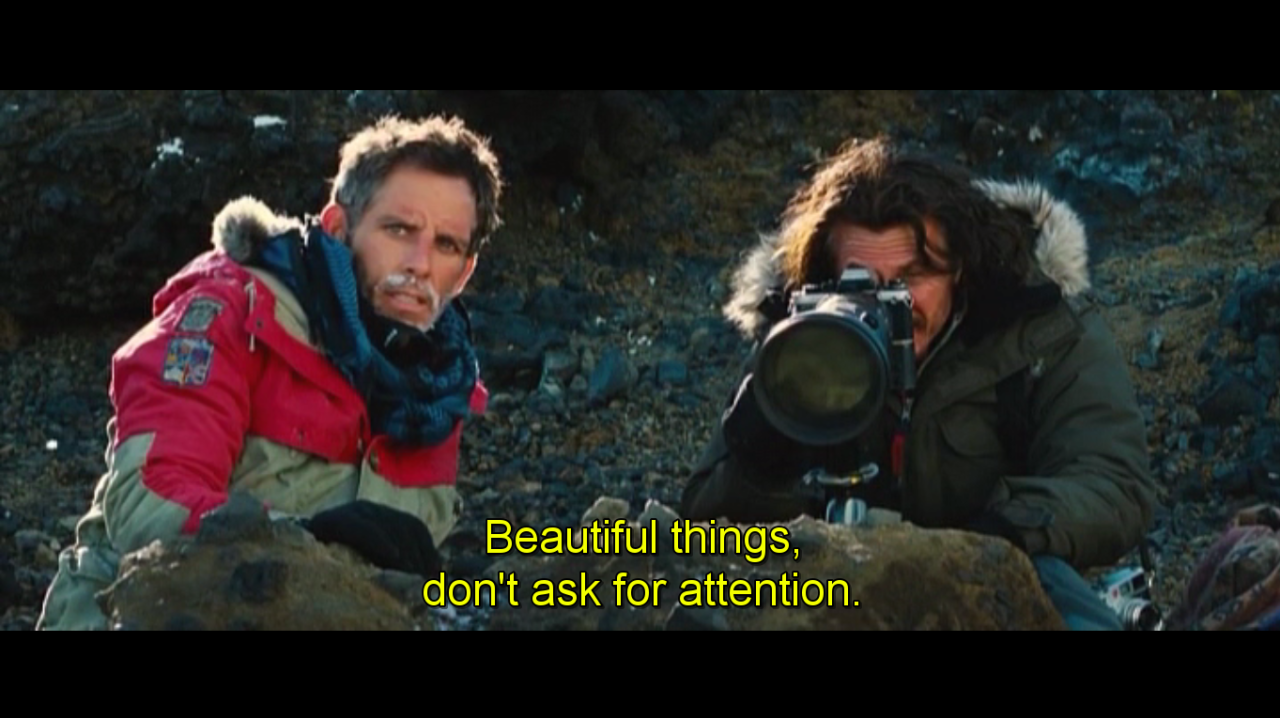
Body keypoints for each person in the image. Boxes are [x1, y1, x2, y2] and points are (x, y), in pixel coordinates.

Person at [37, 114, 504, 631]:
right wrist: (307, 540)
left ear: (464, 272)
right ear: (338, 227)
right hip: (139, 612)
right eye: (399, 230)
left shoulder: (437, 393)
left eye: (446, 245)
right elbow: (145, 503)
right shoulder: (231, 316)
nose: (420, 264)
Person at [681, 136, 1159, 631]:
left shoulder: (1043, 332)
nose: (896, 305)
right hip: (842, 592)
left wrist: (999, 535)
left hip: (999, 588)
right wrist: (761, 460)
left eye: (913, 276)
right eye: (863, 282)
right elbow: (701, 524)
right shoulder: (802, 343)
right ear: (824, 281)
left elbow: (1112, 484)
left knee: (1048, 582)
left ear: (961, 271)